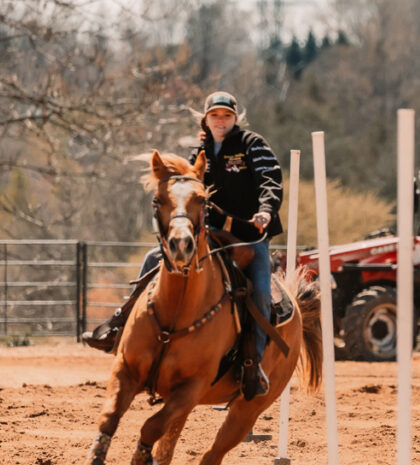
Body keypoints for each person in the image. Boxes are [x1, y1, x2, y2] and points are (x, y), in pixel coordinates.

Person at [82, 91, 283, 397]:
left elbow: (271, 179)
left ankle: (252, 367)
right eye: (214, 115)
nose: (220, 121)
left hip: (249, 236)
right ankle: (119, 328)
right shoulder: (198, 152)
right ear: (205, 118)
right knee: (153, 259)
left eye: (226, 116)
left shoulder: (252, 145)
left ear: (235, 118)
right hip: (211, 234)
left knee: (261, 293)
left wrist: (266, 210)